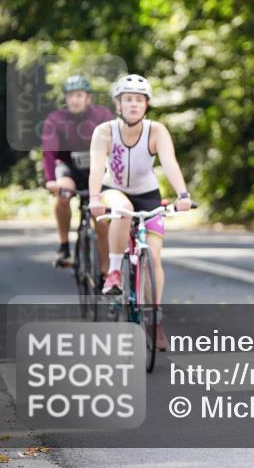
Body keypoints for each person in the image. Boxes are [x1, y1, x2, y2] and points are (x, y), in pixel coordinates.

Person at [87, 74, 192, 351]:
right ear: (118, 104)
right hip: (114, 190)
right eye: (127, 99)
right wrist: (95, 197)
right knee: (122, 209)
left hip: (149, 196)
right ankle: (113, 274)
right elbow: (97, 167)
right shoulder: (104, 131)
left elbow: (170, 163)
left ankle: (155, 322)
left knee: (154, 258)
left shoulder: (156, 131)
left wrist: (183, 195)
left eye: (139, 100)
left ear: (147, 105)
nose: (133, 105)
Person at [41, 75, 114, 267]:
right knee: (63, 195)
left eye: (79, 95)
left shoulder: (103, 115)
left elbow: (116, 145)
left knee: (102, 215)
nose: (75, 99)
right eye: (71, 95)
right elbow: (49, 152)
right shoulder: (55, 119)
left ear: (88, 98)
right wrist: (51, 180)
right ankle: (64, 246)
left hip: (97, 168)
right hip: (69, 168)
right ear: (66, 99)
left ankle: (106, 270)